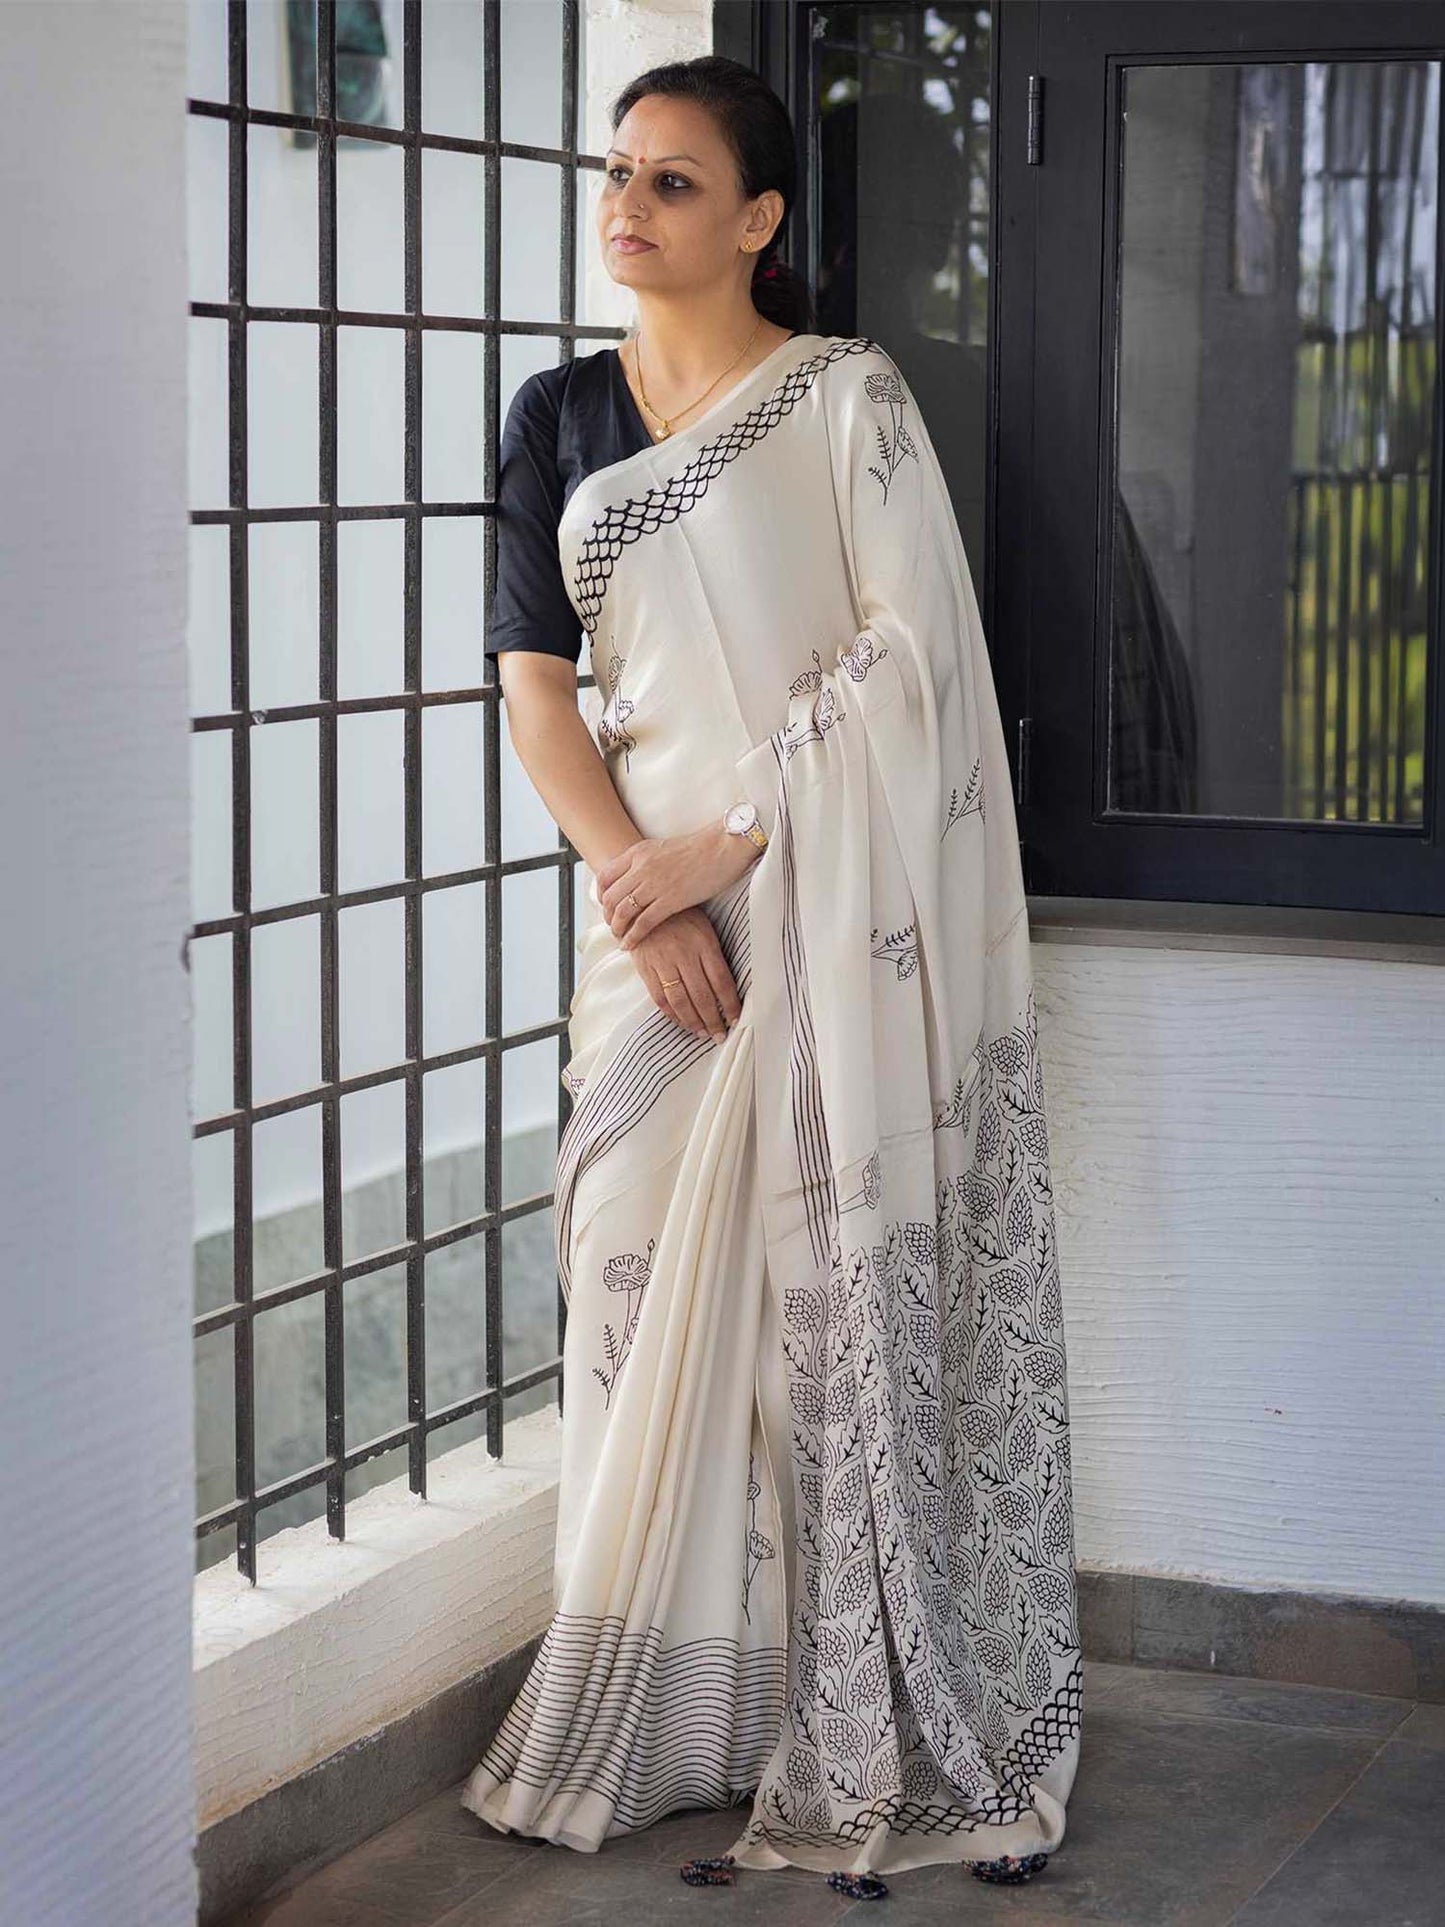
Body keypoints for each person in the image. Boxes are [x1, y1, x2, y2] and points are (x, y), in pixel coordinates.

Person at [459, 52, 1082, 1895]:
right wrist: (642, 897)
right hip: (646, 942)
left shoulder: (842, 403)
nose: (627, 205)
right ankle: (673, 1718)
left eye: (670, 180)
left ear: (758, 219)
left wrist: (729, 848)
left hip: (814, 916)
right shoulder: (559, 414)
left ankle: (845, 1701)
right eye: (615, 172)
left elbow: (911, 658)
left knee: (818, 1325)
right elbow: (532, 690)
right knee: (634, 1296)